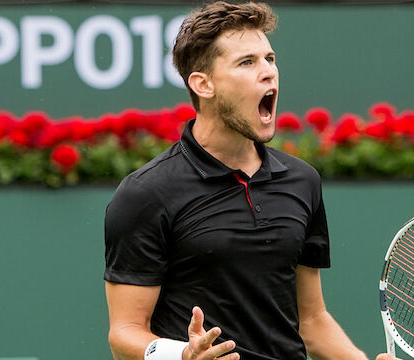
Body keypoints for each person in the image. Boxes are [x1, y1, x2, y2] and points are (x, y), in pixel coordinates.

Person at [104, 2, 398, 360]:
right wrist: (181, 355)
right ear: (203, 84)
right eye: (247, 62)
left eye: (270, 59)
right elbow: (124, 333)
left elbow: (311, 319)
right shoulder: (146, 193)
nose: (268, 73)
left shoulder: (302, 181)